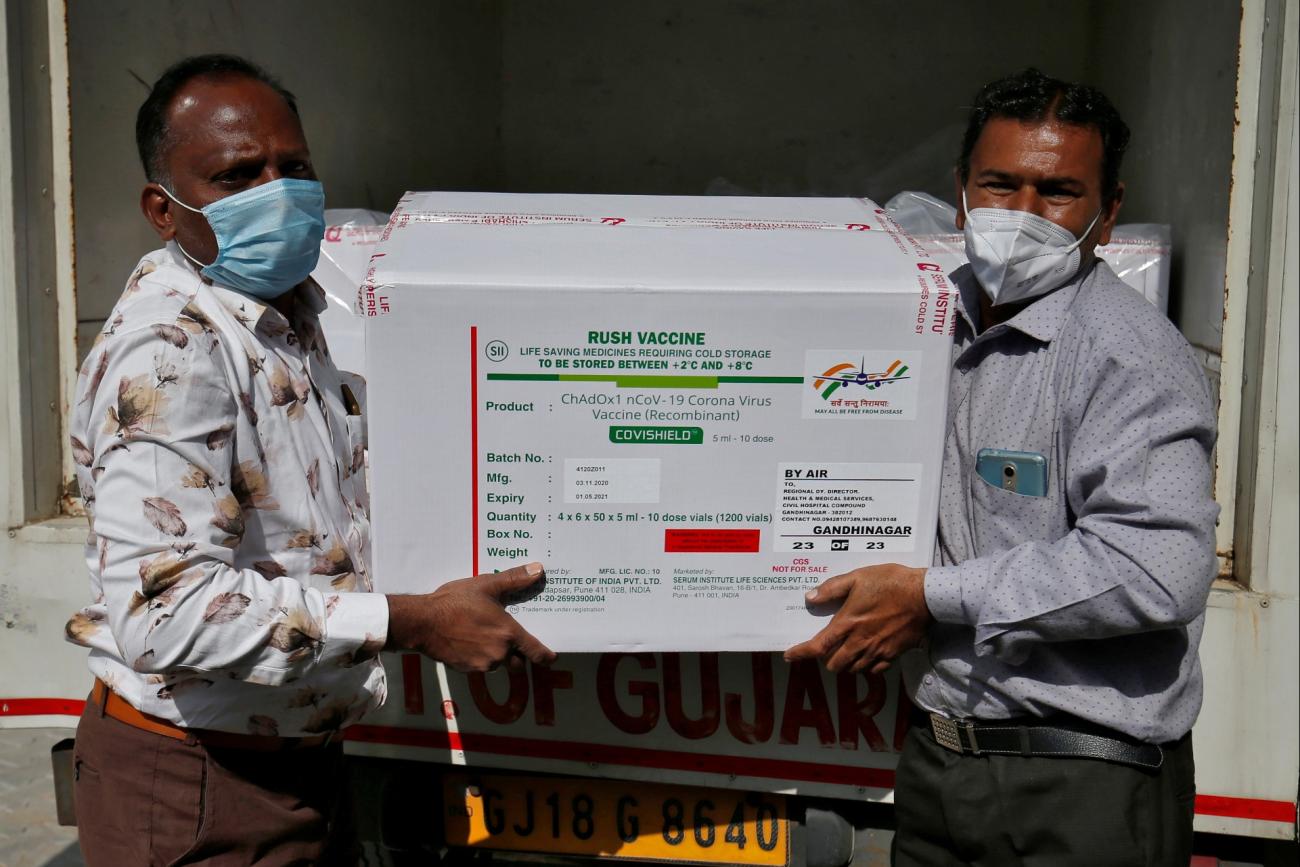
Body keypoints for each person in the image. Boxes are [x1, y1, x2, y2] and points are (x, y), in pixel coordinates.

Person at [65, 54, 554, 865]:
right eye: (236, 175)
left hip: (293, 759)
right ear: (163, 207)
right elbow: (167, 612)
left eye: (292, 167)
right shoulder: (173, 352)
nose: (277, 192)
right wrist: (414, 620)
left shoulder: (290, 314)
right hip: (199, 781)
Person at [787, 68, 1218, 866]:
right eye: (999, 184)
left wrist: (926, 595)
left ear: (1108, 210)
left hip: (1080, 785)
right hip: (940, 759)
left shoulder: (1127, 356)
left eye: (1057, 191)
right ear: (961, 193)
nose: (1022, 215)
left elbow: (1159, 568)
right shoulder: (919, 323)